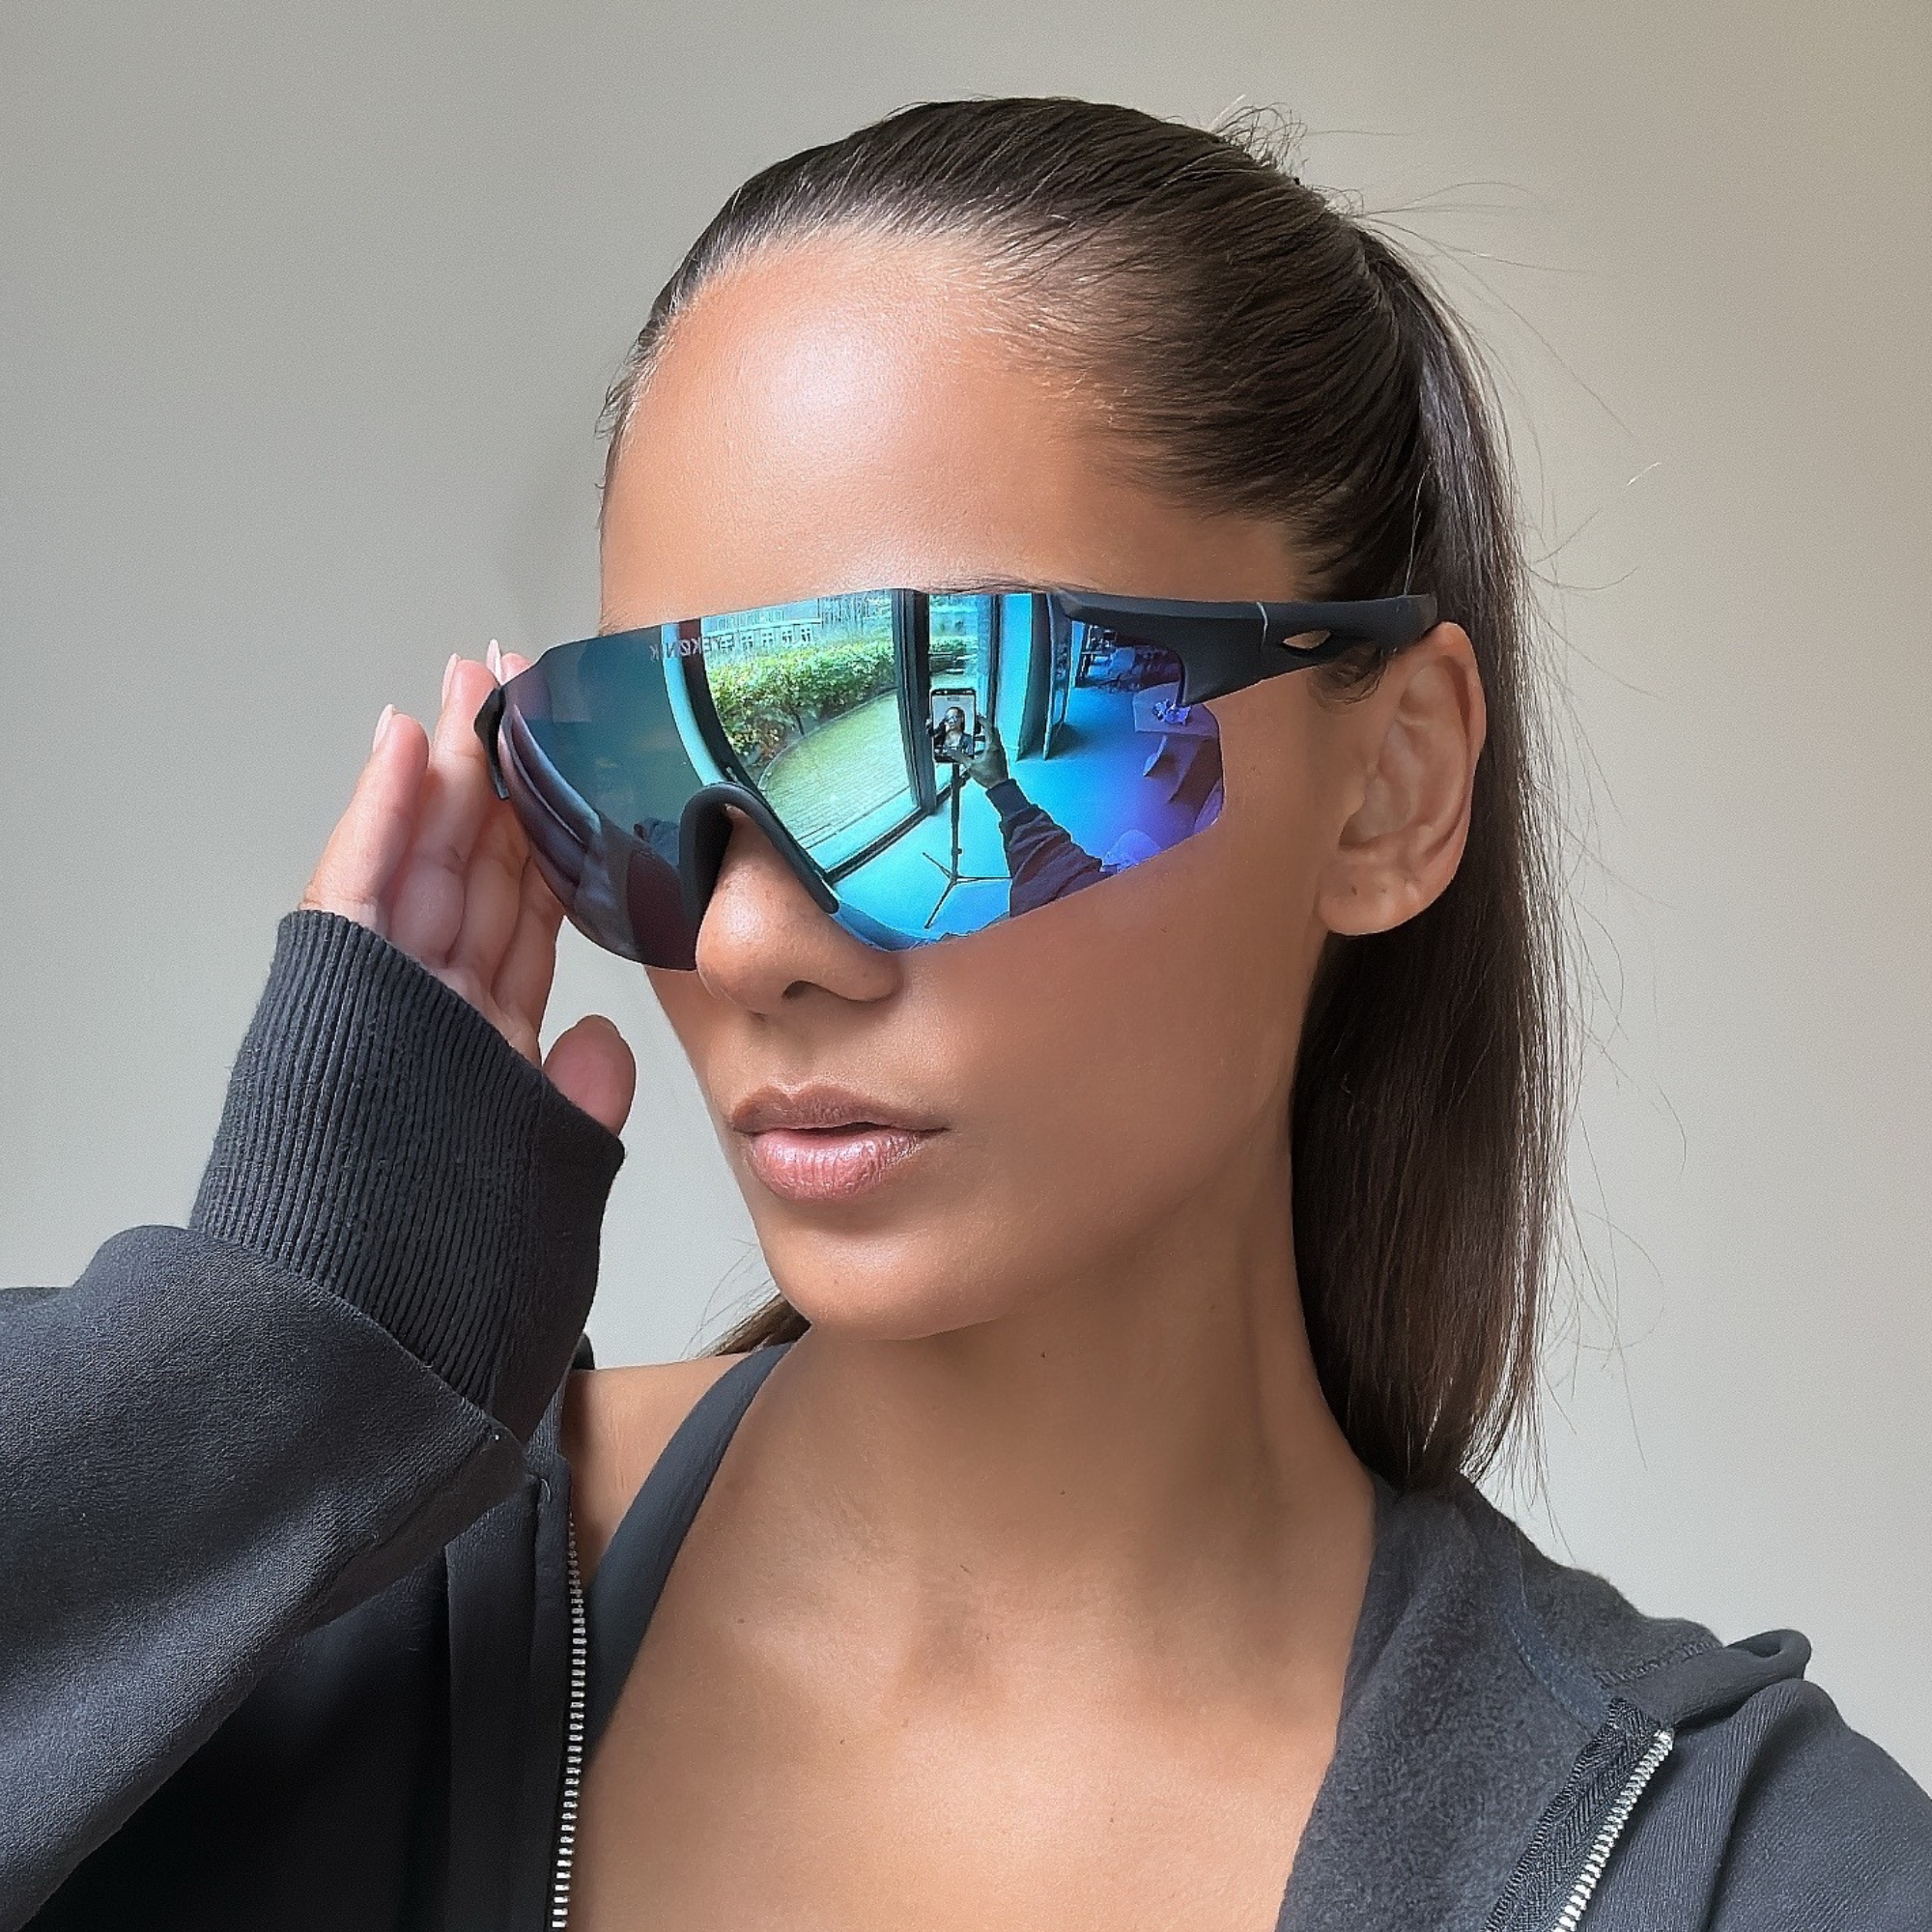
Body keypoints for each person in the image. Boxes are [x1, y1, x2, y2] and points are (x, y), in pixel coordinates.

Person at [5, 96, 1929, 1932]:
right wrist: (260, 1371)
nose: (748, 939)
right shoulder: (286, 1633)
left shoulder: (1741, 1877)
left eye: (940, 735)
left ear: (1390, 784)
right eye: (637, 761)